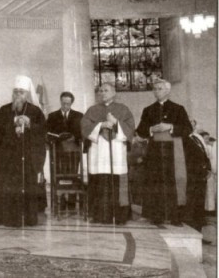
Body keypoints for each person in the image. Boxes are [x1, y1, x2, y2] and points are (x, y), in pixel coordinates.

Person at [134, 79, 193, 226]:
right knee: (156, 182)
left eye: (160, 88)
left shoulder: (178, 109)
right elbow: (140, 130)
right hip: (154, 151)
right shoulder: (148, 110)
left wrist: (170, 127)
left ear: (168, 90)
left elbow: (188, 129)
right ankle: (157, 216)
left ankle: (175, 217)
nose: (156, 91)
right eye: (155, 89)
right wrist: (151, 129)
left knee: (174, 181)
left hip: (173, 150)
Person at [0, 75, 47, 227]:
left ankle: (30, 218)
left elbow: (43, 131)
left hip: (29, 156)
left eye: (21, 92)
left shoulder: (35, 111)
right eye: (15, 92)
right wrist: (13, 123)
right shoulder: (4, 110)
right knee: (10, 187)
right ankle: (11, 218)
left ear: (27, 94)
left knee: (29, 186)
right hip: (9, 157)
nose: (18, 95)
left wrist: (29, 124)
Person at [81, 83, 135, 225]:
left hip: (116, 151)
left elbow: (130, 128)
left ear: (114, 92)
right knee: (100, 181)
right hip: (98, 152)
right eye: (100, 91)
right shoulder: (92, 110)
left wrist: (116, 122)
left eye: (106, 90)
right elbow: (84, 127)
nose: (102, 93)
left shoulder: (123, 109)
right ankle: (99, 216)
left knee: (116, 181)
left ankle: (119, 216)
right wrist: (101, 125)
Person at [46, 92, 84, 211]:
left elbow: (82, 132)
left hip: (74, 151)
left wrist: (75, 137)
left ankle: (72, 201)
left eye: (68, 103)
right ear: (60, 101)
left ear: (71, 103)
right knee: (59, 175)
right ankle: (60, 201)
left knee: (72, 174)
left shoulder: (79, 115)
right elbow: (47, 132)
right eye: (63, 103)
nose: (65, 105)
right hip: (57, 151)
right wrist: (56, 138)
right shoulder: (52, 116)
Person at [184, 129, 211, 231]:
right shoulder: (185, 139)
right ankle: (191, 230)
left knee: (199, 204)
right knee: (191, 204)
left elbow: (205, 155)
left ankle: (198, 230)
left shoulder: (197, 138)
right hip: (192, 176)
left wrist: (208, 169)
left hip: (201, 176)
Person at [205, 134, 217, 214]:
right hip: (213, 171)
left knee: (211, 191)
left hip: (213, 171)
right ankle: (211, 209)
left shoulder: (213, 147)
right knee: (211, 191)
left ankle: (211, 209)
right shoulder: (211, 147)